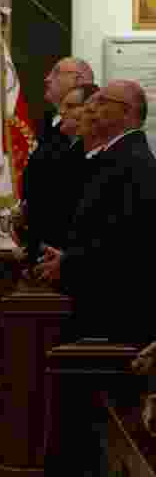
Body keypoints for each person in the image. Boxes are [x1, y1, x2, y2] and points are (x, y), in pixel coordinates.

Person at [35, 80, 156, 344]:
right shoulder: (117, 158)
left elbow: (124, 240)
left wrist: (70, 262)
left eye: (102, 102)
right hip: (101, 300)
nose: (91, 108)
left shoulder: (132, 162)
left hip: (116, 309)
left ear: (127, 112)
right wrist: (68, 258)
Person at [21, 57, 95, 260]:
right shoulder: (47, 124)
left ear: (78, 80)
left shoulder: (91, 148)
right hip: (43, 245)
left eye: (56, 72)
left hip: (66, 250)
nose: (47, 78)